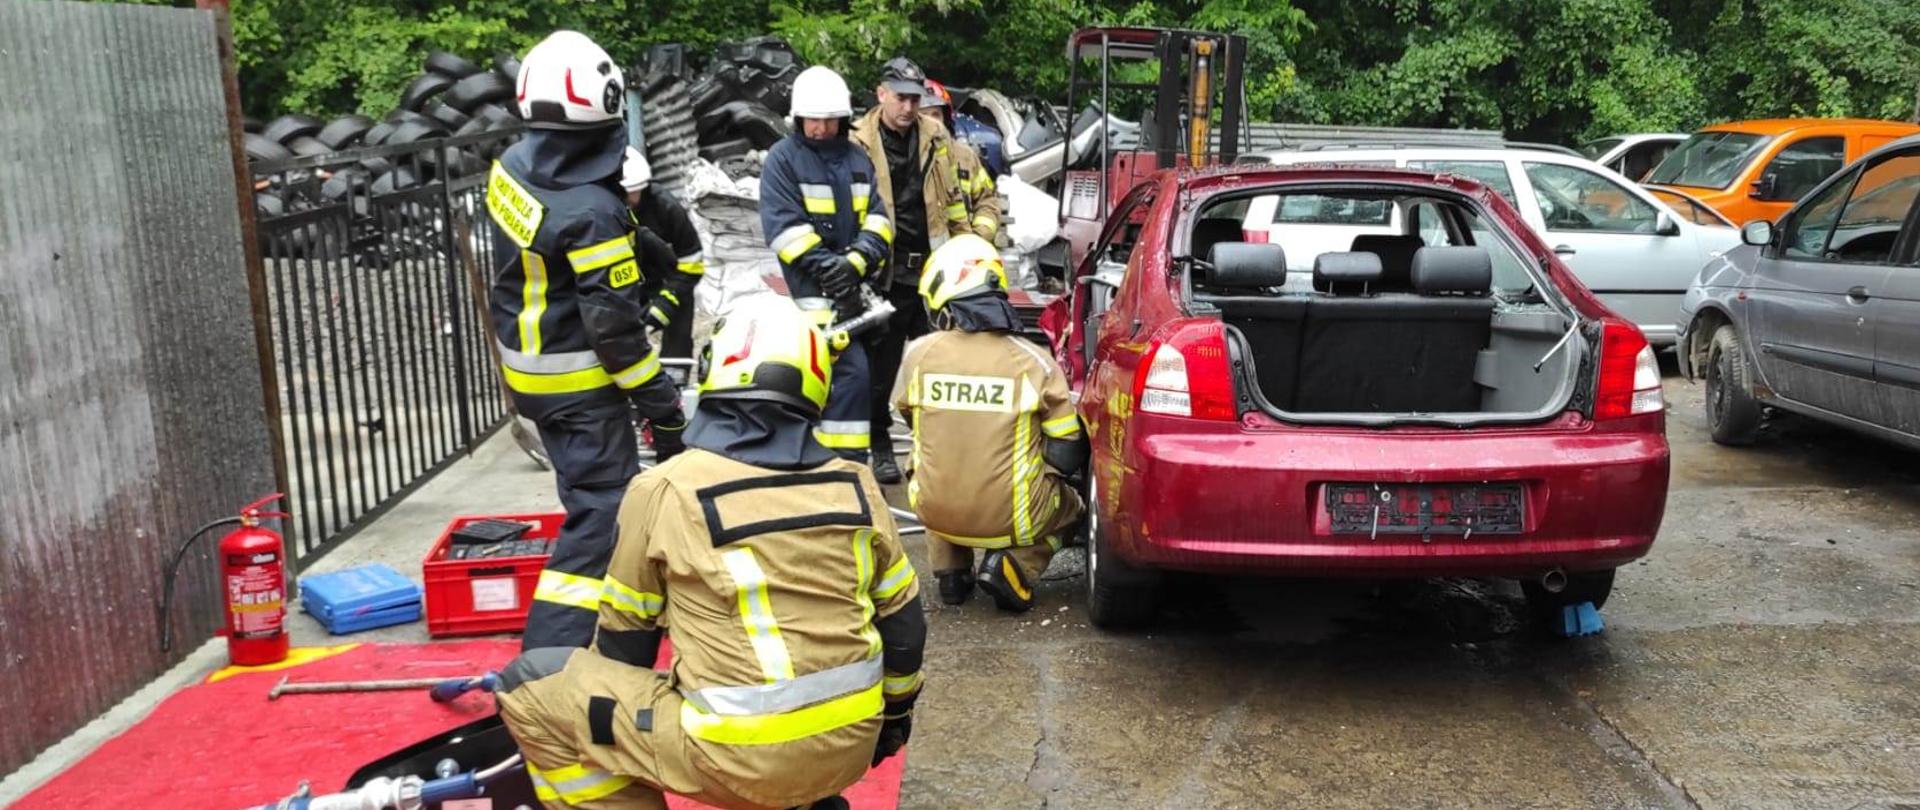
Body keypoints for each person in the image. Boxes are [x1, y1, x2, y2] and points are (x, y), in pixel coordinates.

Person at [495, 298, 927, 810]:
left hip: (735, 758)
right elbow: (905, 625)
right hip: (851, 747)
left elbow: (624, 647)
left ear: (715, 371)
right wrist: (893, 719)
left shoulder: (664, 488)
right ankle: (802, 800)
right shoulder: (856, 485)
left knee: (530, 686)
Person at [485, 31, 688, 650]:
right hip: (579, 386)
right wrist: (662, 404)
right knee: (601, 518)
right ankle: (550, 664)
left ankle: (609, 639)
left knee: (585, 501)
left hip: (529, 370)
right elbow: (617, 336)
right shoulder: (593, 212)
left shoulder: (513, 166)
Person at [893, 235, 1086, 612]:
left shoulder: (917, 355)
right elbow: (1066, 449)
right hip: (1011, 517)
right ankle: (1014, 565)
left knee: (934, 469)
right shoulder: (1034, 362)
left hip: (933, 509)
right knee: (1073, 509)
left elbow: (912, 420)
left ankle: (951, 574)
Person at [850, 57, 990, 484]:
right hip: (884, 275)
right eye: (901, 99)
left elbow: (952, 200)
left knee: (943, 366)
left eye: (915, 100)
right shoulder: (859, 141)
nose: (909, 108)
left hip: (933, 273)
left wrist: (969, 251)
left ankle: (937, 450)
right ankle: (879, 445)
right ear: (881, 94)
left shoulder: (936, 137)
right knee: (880, 371)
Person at [760, 66, 892, 464]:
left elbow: (879, 220)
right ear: (799, 118)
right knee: (826, 385)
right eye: (813, 119)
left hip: (854, 303)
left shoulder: (856, 158)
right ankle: (826, 473)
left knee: (857, 386)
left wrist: (854, 264)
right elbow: (785, 230)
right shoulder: (783, 160)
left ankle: (848, 472)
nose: (819, 128)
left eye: (828, 119)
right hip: (810, 305)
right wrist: (833, 272)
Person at [620, 146, 704, 362]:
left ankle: (676, 376)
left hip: (669, 278)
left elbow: (692, 261)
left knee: (677, 339)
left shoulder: (666, 207)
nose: (626, 199)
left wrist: (667, 300)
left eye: (632, 193)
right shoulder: (605, 209)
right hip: (627, 280)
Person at [919, 79, 1003, 240]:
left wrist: (979, 236)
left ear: (946, 118)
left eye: (936, 114)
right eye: (923, 115)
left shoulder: (965, 157)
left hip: (961, 253)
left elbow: (987, 201)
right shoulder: (902, 155)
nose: (931, 121)